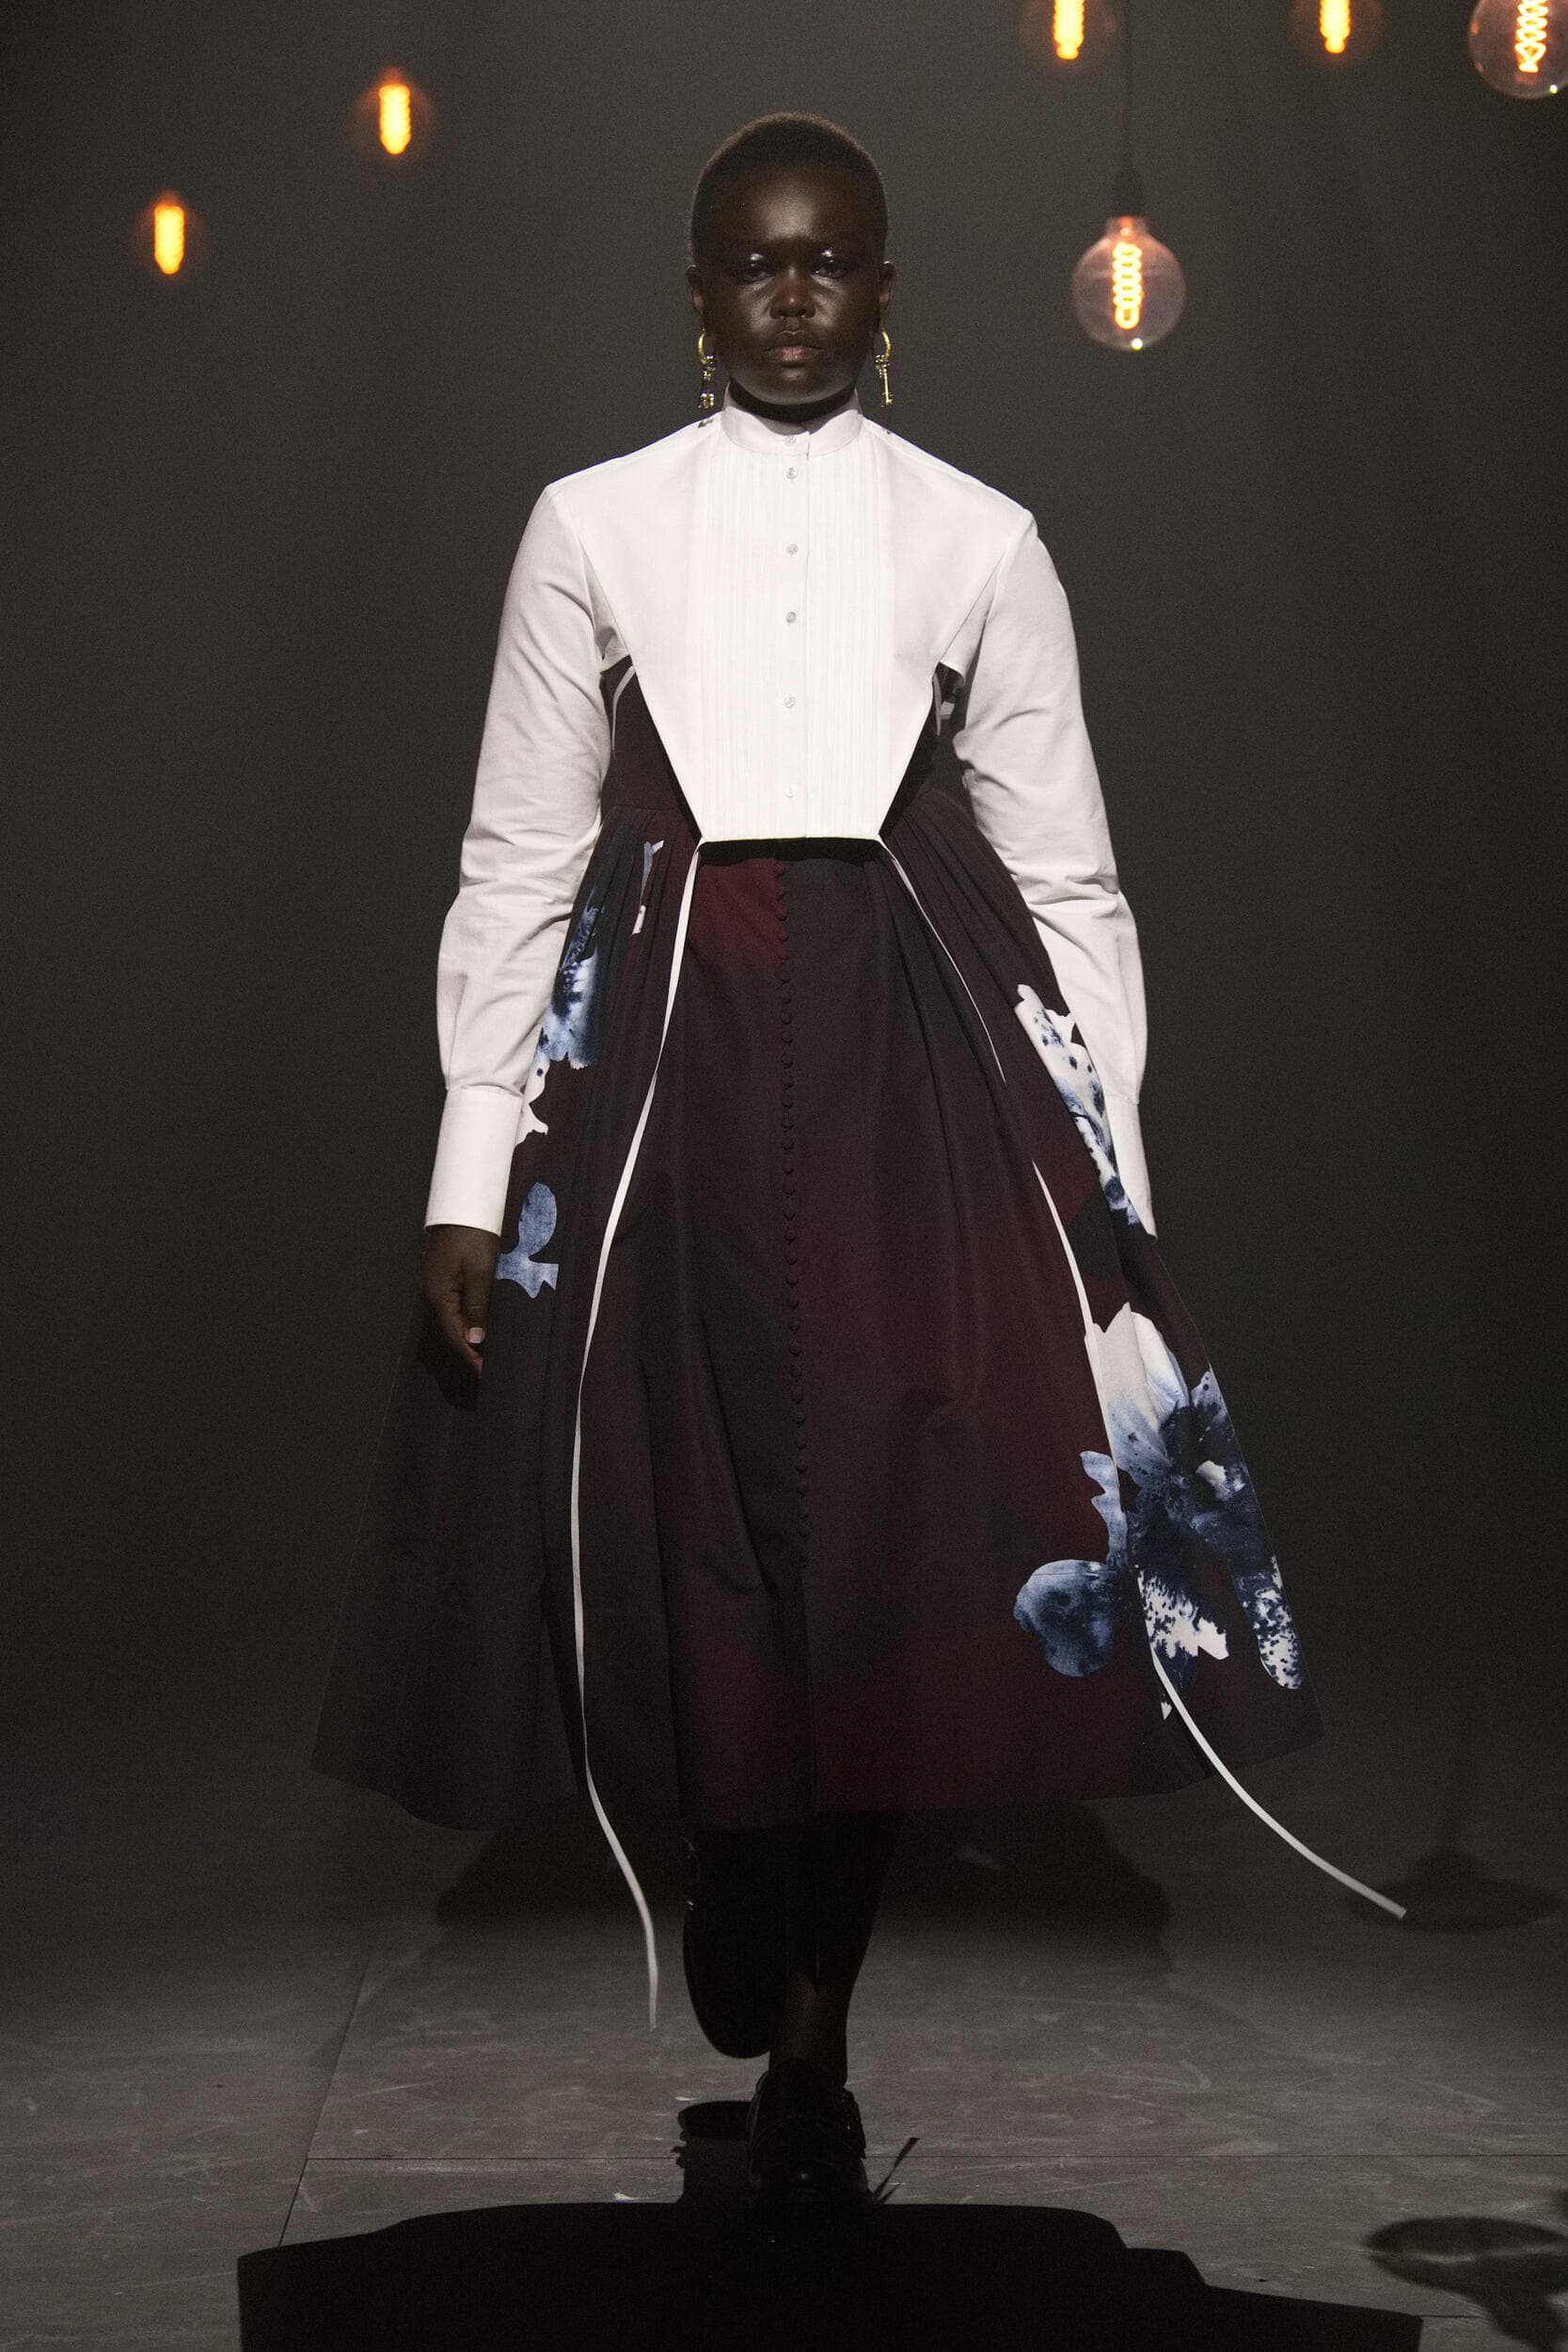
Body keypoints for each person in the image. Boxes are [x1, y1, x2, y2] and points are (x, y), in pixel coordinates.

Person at [312, 110, 1350, 2217]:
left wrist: (1113, 1178)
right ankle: (735, 1859)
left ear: (887, 294)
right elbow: (515, 853)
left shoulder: (983, 533)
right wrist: (468, 1163)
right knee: (694, 1505)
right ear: (698, 298)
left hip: (907, 1047)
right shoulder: (591, 522)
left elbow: (1071, 872)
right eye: (756, 264)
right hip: (668, 1055)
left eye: (831, 262)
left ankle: (814, 2032)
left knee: (891, 1533)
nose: (793, 298)